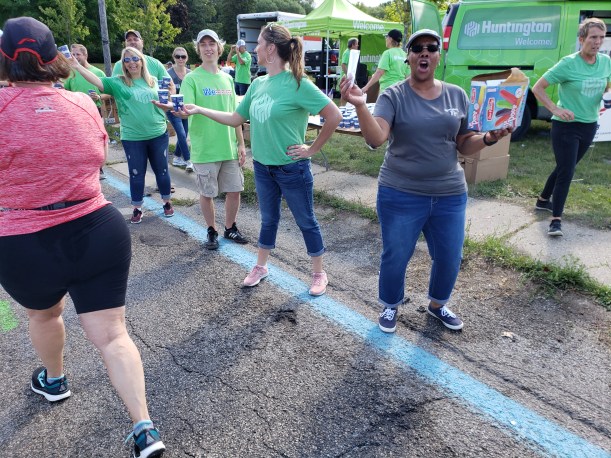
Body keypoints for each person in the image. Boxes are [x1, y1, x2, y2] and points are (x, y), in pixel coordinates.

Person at [0, 17, 165, 458]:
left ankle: (54, 381)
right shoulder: (81, 103)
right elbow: (98, 155)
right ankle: (144, 428)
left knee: (44, 315)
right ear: (53, 57)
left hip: (26, 238)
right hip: (96, 227)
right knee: (113, 335)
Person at [340, 29, 511, 333]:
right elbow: (376, 138)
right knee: (396, 255)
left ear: (437, 57)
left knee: (450, 256)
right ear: (407, 57)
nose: (424, 52)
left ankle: (437, 305)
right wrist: (361, 105)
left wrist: (488, 138)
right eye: (417, 48)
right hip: (400, 193)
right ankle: (390, 304)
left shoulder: (457, 95)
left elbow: (464, 143)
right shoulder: (394, 95)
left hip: (449, 194)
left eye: (431, 48)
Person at [179, 23, 341, 295]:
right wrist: (199, 109)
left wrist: (312, 149)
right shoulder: (258, 84)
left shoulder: (298, 83)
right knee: (268, 220)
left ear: (271, 49)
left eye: (260, 44)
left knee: (306, 221)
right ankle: (261, 266)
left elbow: (334, 115)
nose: (255, 49)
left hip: (292, 168)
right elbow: (235, 118)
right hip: (263, 168)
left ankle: (318, 273)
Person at [164, 29, 248, 250]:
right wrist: (177, 110)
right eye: (203, 44)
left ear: (219, 48)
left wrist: (241, 143)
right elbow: (186, 111)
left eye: (212, 44)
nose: (208, 48)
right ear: (198, 50)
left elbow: (235, 115)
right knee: (207, 193)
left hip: (228, 146)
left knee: (235, 190)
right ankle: (211, 230)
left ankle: (230, 227)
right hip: (205, 148)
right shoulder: (192, 78)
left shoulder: (228, 78)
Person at [72, 46, 175, 224]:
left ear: (142, 61)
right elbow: (96, 80)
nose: (131, 63)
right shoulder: (118, 82)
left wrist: (171, 97)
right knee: (136, 173)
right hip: (133, 137)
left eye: (135, 59)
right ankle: (137, 207)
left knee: (162, 170)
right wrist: (77, 66)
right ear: (123, 64)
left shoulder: (154, 81)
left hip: (158, 133)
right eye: (127, 60)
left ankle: (166, 202)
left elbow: (169, 98)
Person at [532, 18, 611, 237]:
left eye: (601, 38)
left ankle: (542, 200)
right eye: (593, 37)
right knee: (567, 171)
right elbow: (538, 88)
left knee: (564, 167)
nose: (597, 42)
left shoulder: (606, 62)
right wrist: (555, 109)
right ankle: (555, 221)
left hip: (589, 124)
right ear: (582, 39)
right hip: (566, 126)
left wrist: (606, 95)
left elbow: (606, 85)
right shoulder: (568, 63)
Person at [63, 44, 111, 180]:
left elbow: (109, 93)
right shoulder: (70, 73)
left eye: (78, 54)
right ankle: (82, 169)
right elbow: (64, 91)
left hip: (94, 110)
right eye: (73, 54)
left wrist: (99, 97)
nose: (75, 57)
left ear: (85, 55)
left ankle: (99, 168)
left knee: (97, 139)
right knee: (79, 140)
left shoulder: (98, 73)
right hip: (76, 112)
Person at [166, 46, 193, 171]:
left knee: (184, 134)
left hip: (185, 109)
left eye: (183, 56)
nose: (180, 59)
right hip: (172, 109)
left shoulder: (190, 74)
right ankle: (188, 160)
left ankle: (177, 158)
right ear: (174, 58)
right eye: (178, 56)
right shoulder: (168, 74)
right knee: (181, 134)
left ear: (187, 58)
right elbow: (163, 92)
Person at [361, 29, 408, 97]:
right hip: (401, 91)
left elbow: (379, 72)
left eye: (386, 37)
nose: (386, 39)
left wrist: (366, 87)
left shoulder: (388, 53)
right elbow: (408, 76)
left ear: (390, 39)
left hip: (388, 90)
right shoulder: (405, 55)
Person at [340, 37, 359, 105]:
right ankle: (342, 107)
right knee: (344, 94)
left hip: (349, 77)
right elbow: (343, 65)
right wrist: (348, 76)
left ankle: (345, 107)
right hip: (346, 77)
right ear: (352, 45)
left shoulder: (351, 52)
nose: (357, 45)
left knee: (349, 94)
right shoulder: (347, 53)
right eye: (356, 44)